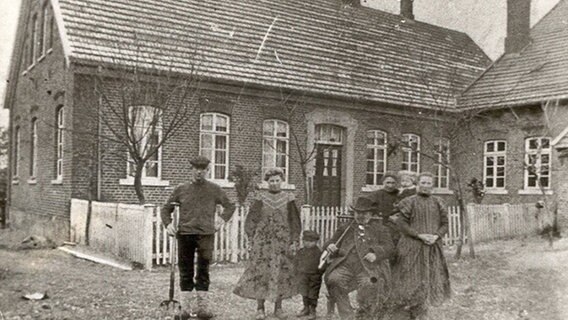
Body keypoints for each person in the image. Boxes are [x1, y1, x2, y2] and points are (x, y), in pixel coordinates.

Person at [161, 156, 236, 320]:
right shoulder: (181, 189)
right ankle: (185, 310)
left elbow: (230, 206)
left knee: (203, 270)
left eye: (203, 169)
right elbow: (165, 209)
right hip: (185, 234)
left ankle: (203, 309)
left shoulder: (214, 189)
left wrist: (221, 220)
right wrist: (168, 225)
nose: (199, 172)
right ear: (191, 170)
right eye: (196, 168)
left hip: (205, 235)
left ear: (207, 171)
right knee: (185, 270)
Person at [233, 168, 302, 320]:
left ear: (282, 181)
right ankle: (260, 308)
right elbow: (251, 219)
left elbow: (295, 221)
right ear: (267, 182)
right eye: (272, 181)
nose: (275, 183)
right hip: (262, 243)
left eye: (277, 180)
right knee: (261, 272)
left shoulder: (289, 198)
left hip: (282, 242)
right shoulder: (260, 198)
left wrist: (294, 240)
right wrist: (251, 238)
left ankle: (278, 308)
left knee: (281, 273)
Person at [389, 172, 451, 320]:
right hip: (411, 246)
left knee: (429, 277)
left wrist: (436, 236)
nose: (425, 186)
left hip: (432, 247)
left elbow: (445, 224)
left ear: (432, 186)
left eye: (429, 183)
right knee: (409, 277)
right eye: (423, 183)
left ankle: (422, 310)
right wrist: (419, 235)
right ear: (417, 184)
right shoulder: (409, 201)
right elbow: (401, 223)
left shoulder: (438, 202)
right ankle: (404, 309)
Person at [323, 196, 394, 320]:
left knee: (369, 284)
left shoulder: (380, 229)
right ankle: (347, 316)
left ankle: (365, 315)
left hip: (368, 268)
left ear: (371, 214)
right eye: (358, 213)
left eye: (364, 213)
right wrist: (330, 246)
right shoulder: (346, 228)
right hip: (346, 265)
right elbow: (331, 242)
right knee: (334, 279)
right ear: (354, 213)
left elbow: (390, 248)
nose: (360, 216)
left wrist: (376, 254)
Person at [294, 230, 324, 320]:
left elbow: (323, 265)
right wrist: (296, 271)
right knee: (304, 292)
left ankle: (312, 310)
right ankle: (306, 308)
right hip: (303, 276)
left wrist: (318, 273)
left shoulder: (318, 253)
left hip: (314, 277)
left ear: (316, 242)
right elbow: (295, 262)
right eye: (306, 241)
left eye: (311, 241)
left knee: (313, 294)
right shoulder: (301, 252)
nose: (308, 243)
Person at [367, 172, 401, 246]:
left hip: (398, 226)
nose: (390, 185)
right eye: (388, 182)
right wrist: (387, 217)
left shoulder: (399, 194)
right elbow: (370, 210)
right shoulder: (375, 195)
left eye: (393, 183)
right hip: (382, 224)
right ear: (383, 182)